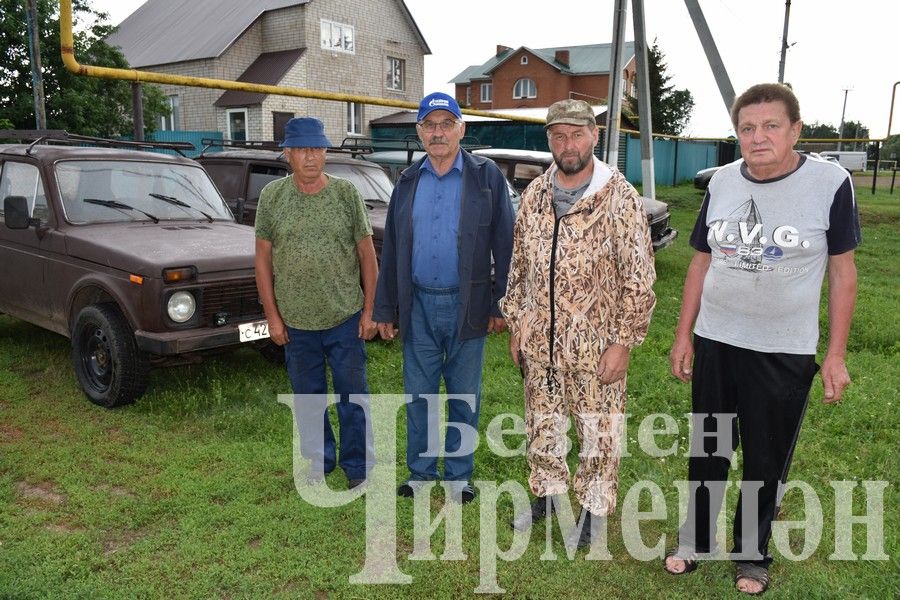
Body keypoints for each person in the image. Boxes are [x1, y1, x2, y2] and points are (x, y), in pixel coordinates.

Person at [663, 83, 860, 595]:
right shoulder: (722, 182)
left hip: (784, 348)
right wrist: (684, 334)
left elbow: (843, 272)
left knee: (765, 455)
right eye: (747, 128)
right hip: (716, 337)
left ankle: (751, 554)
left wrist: (835, 353)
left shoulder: (830, 183)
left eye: (771, 125)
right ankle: (696, 538)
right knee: (709, 447)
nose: (758, 137)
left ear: (795, 129)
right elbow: (701, 261)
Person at [500, 99, 657, 547]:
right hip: (540, 340)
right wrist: (518, 323)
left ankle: (594, 506)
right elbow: (519, 267)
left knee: (599, 427)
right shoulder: (534, 195)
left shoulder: (618, 196)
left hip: (597, 342)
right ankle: (548, 492)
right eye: (558, 135)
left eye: (576, 134)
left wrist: (624, 342)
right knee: (542, 421)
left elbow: (640, 277)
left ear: (593, 135)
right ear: (549, 139)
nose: (567, 145)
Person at [373, 91, 514, 503]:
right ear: (419, 132)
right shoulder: (408, 180)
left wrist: (499, 303)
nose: (437, 133)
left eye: (445, 124)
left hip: (467, 303)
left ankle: (458, 476)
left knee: (463, 395)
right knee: (418, 394)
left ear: (461, 129)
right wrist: (386, 307)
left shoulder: (485, 176)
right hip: (417, 303)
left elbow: (505, 242)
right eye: (429, 126)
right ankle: (419, 472)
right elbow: (394, 247)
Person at [255, 116, 378, 489]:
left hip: (344, 316)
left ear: (326, 152)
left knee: (353, 396)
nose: (311, 157)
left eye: (318, 149)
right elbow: (262, 260)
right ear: (288, 154)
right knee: (308, 398)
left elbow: (367, 256)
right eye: (303, 150)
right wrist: (273, 318)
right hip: (295, 322)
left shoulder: (345, 194)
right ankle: (319, 462)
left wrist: (370, 311)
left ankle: (358, 467)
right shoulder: (272, 197)